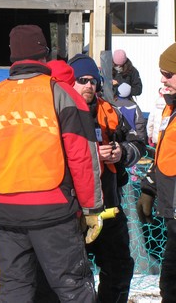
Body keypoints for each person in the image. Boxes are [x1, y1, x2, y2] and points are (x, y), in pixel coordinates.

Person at [0, 25, 104, 303]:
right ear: (45, 53)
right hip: (53, 211)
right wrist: (92, 208)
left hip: (5, 213)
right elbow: (82, 156)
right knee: (72, 289)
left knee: (15, 289)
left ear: (12, 57)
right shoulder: (61, 94)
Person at [67, 53, 145, 303]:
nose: (89, 85)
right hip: (71, 211)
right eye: (82, 79)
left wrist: (121, 152)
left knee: (120, 269)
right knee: (73, 277)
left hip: (108, 207)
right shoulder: (59, 110)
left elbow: (137, 143)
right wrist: (89, 154)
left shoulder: (108, 111)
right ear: (71, 82)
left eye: (93, 80)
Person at [137, 42, 176, 302]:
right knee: (170, 282)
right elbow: (164, 154)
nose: (163, 79)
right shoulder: (169, 108)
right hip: (173, 213)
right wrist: (150, 188)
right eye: (162, 72)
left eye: (169, 73)